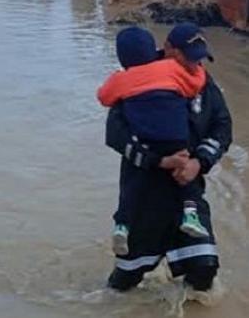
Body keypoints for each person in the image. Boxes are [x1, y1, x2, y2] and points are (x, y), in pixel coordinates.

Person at [103, 23, 232, 295]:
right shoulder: (137, 79)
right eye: (189, 57)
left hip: (188, 192)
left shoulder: (203, 83)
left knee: (204, 271)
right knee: (124, 284)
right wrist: (157, 161)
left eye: (200, 58)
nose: (195, 64)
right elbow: (115, 134)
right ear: (169, 49)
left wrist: (199, 163)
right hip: (144, 192)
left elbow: (222, 128)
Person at [96, 27, 211, 257]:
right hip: (177, 138)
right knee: (185, 174)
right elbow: (195, 85)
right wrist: (198, 76)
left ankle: (122, 225)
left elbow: (104, 97)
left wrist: (122, 81)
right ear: (163, 49)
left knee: (132, 184)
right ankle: (191, 214)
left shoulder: (122, 79)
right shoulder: (173, 69)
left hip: (145, 143)